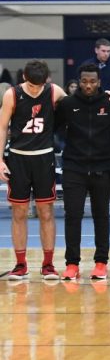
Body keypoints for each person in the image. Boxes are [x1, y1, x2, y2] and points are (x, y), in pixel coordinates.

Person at [56, 64, 110, 281]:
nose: (88, 85)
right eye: (84, 81)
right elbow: (53, 128)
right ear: (79, 81)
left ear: (99, 82)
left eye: (92, 81)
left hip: (102, 168)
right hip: (73, 167)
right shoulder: (67, 104)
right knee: (72, 216)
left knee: (101, 216)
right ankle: (71, 264)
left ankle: (101, 262)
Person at [0, 60, 66, 280]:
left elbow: (78, 106)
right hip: (18, 158)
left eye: (40, 85)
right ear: (24, 79)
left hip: (44, 158)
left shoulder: (54, 91)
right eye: (32, 85)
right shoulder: (12, 94)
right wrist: (0, 159)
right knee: (19, 212)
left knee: (46, 212)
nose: (36, 89)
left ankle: (48, 265)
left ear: (46, 80)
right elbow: (2, 126)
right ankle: (20, 264)